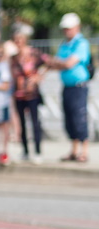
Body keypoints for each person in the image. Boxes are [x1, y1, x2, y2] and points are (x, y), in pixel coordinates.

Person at [44, 13, 91, 163]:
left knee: (79, 118)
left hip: (79, 87)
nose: (66, 31)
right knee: (69, 119)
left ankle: (83, 152)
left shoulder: (81, 44)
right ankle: (74, 150)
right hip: (67, 86)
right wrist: (58, 63)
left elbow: (68, 64)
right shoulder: (64, 44)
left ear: (77, 27)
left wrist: (57, 62)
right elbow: (57, 64)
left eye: (68, 28)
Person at [11, 25, 46, 164]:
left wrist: (38, 77)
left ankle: (37, 151)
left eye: (20, 39)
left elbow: (47, 63)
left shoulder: (33, 54)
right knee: (22, 124)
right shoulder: (13, 58)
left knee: (35, 122)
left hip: (32, 94)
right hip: (19, 94)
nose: (18, 42)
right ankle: (25, 150)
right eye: (16, 40)